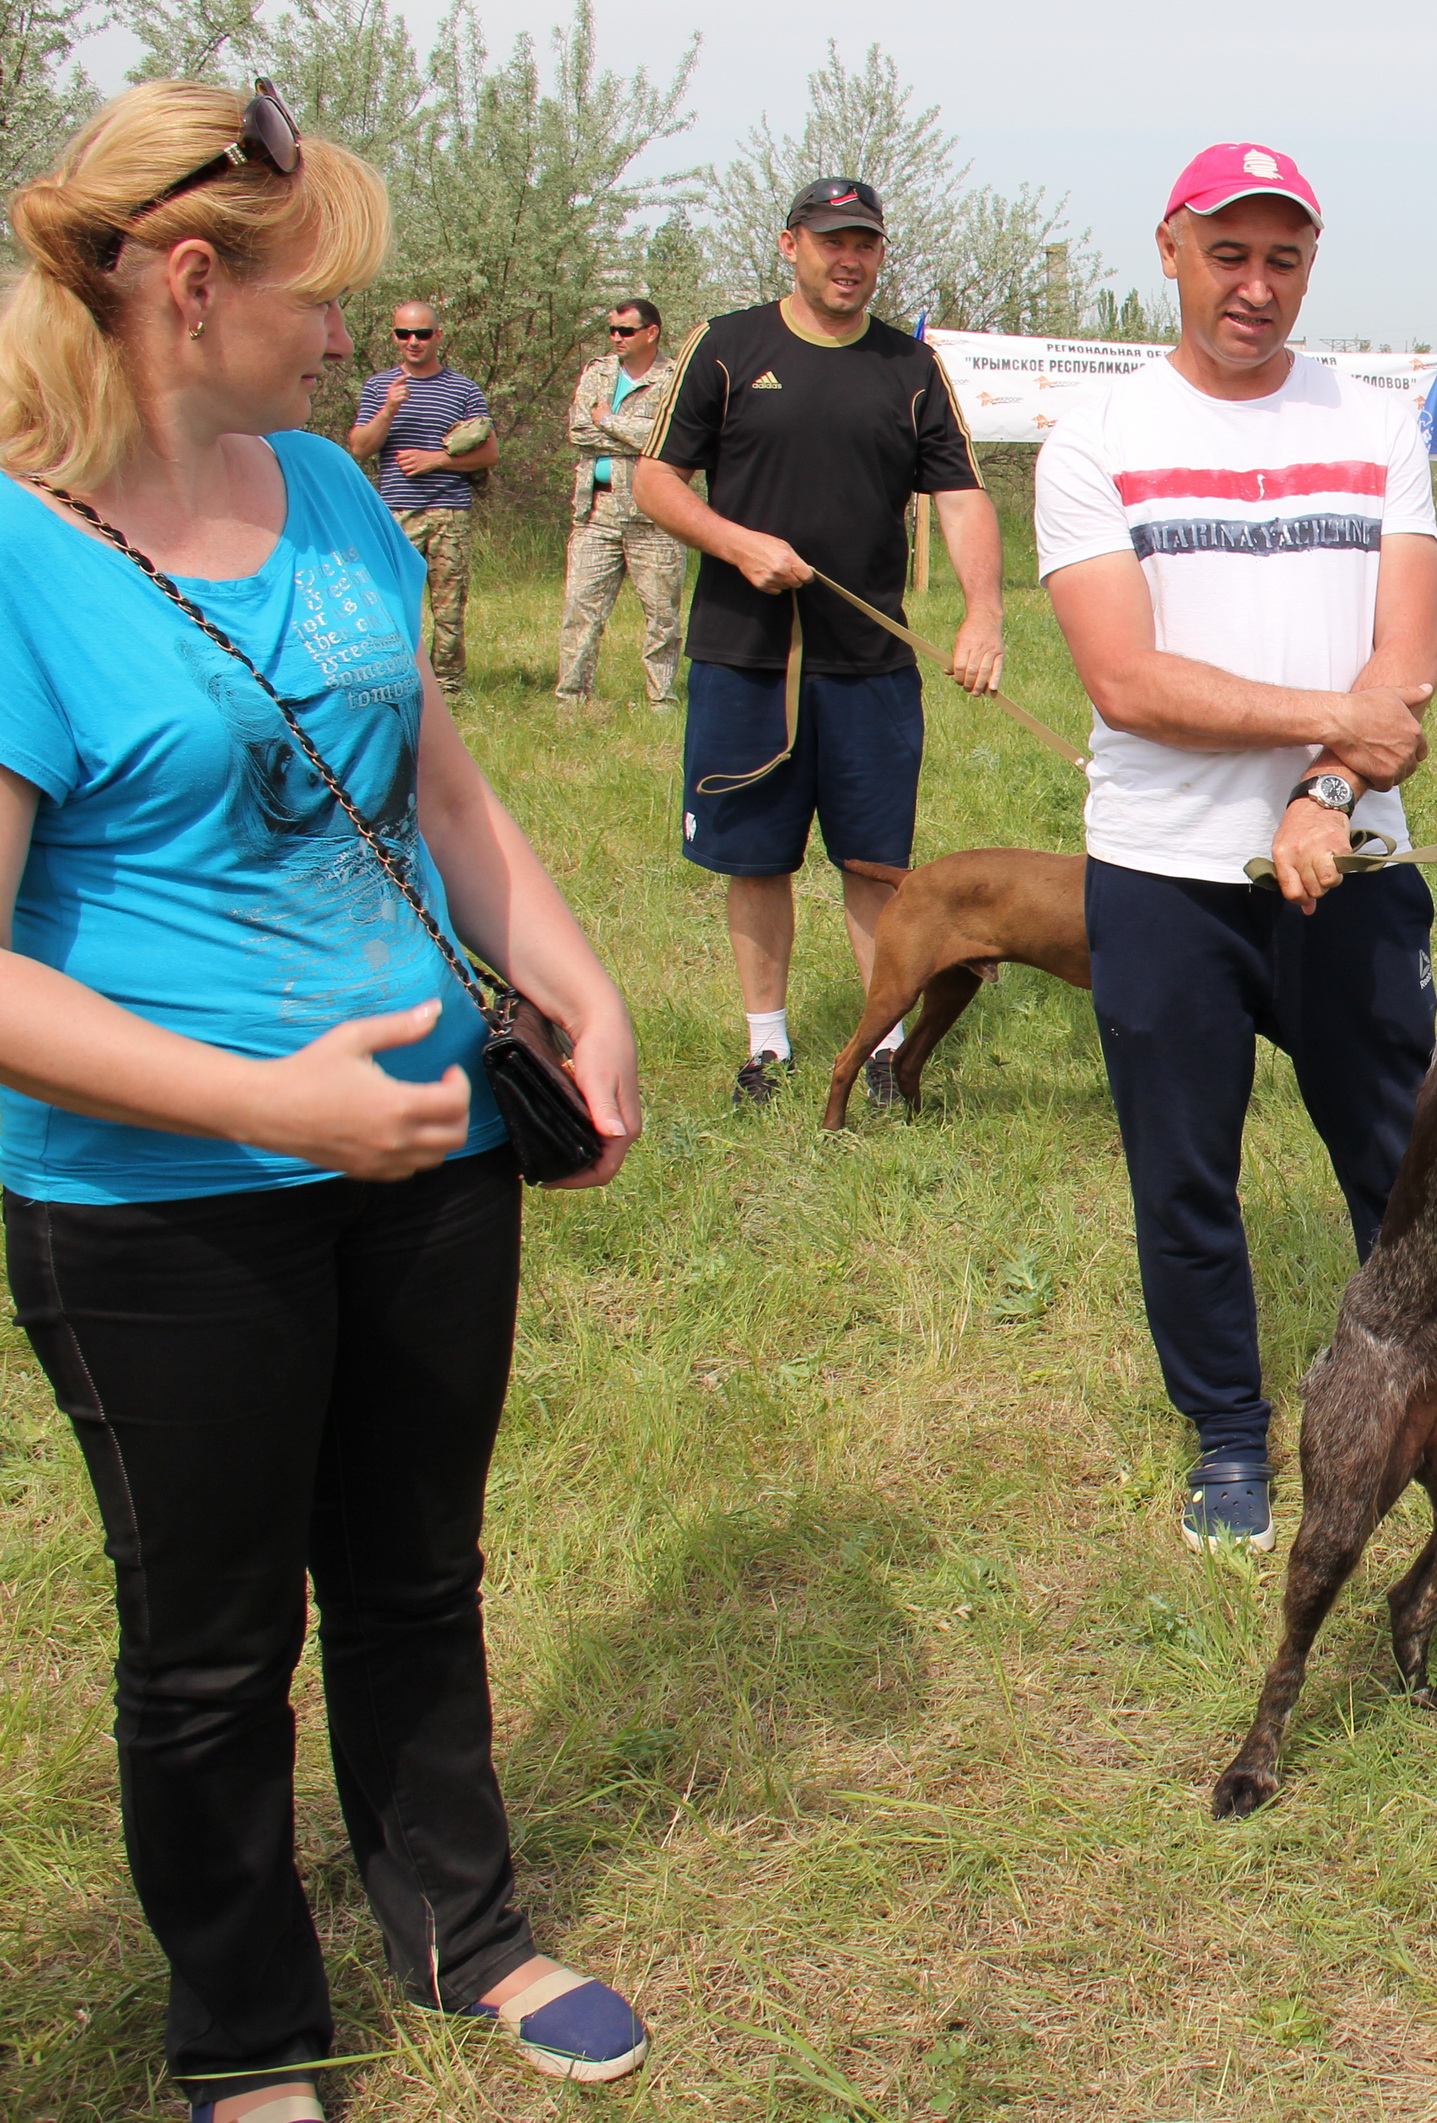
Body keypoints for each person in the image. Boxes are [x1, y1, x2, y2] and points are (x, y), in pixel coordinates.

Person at [0, 81, 652, 2122]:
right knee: (207, 1642)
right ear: (190, 285)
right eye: (323, 296)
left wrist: (573, 978)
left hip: (429, 1151)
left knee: (413, 1568)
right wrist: (266, 1099)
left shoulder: (329, 489)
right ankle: (246, 2031)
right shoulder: (16, 554)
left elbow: (438, 783)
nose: (355, 337)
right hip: (153, 1199)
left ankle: (465, 1925)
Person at [1035, 141, 1437, 1550]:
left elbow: (1408, 656)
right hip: (1162, 871)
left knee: (1410, 1170)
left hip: (1356, 870)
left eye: (1283, 259)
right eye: (1228, 254)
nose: (1255, 286)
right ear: (1170, 248)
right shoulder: (1096, 438)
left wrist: (1326, 790)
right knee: (1184, 1172)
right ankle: (1228, 1436)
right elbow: (1128, 682)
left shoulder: (1375, 424)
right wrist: (1337, 721)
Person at [634, 177, 1002, 1107]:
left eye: (865, 244)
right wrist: (736, 543)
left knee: (875, 862)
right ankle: (766, 1047)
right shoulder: (727, 346)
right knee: (756, 858)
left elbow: (961, 494)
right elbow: (655, 481)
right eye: (832, 241)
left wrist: (984, 613)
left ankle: (883, 1051)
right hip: (745, 659)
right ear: (789, 244)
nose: (850, 260)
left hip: (871, 664)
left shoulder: (910, 367)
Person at [345, 294, 492, 694]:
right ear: (394, 337)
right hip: (396, 513)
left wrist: (436, 460)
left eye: (423, 333)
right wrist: (389, 409)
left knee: (449, 609)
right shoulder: (379, 387)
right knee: (391, 602)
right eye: (404, 333)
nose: (414, 341)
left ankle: (448, 689)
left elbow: (489, 453)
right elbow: (359, 447)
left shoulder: (463, 389)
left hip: (449, 511)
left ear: (438, 336)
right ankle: (397, 681)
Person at [554, 296, 683, 708]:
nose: (616, 337)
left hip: (655, 516)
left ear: (651, 332)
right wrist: (635, 434)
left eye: (626, 330)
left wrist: (608, 421)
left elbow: (670, 438)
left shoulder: (675, 377)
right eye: (611, 329)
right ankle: (572, 700)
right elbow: (579, 431)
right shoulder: (599, 372)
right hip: (596, 512)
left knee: (662, 618)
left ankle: (660, 701)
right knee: (580, 611)